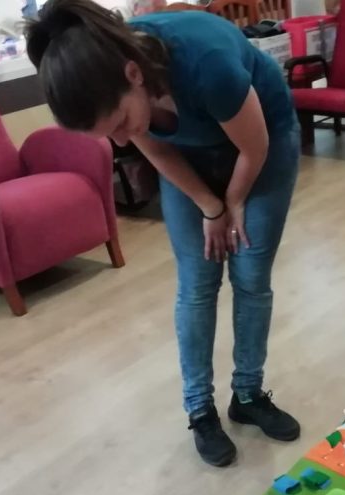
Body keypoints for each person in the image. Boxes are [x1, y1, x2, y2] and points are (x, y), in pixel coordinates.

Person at [25, 0, 302, 467]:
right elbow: (153, 150)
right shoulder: (114, 81)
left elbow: (254, 147)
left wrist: (233, 202)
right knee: (198, 283)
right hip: (189, 159)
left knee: (252, 276)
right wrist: (210, 206)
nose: (118, 141)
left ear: (135, 75)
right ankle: (200, 410)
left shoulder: (205, 62)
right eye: (105, 135)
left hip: (262, 146)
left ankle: (248, 396)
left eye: (118, 124)